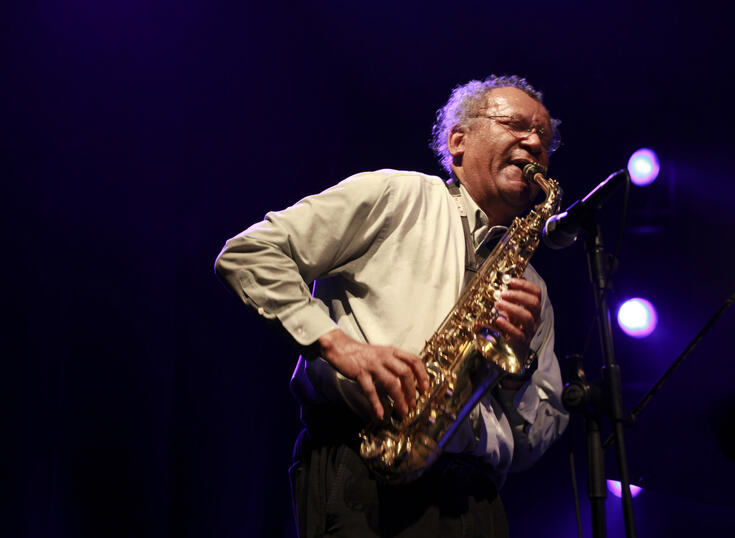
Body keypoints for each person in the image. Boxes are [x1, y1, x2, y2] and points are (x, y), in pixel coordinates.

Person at [215, 75, 569, 537]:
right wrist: (338, 344)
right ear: (458, 140)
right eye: (516, 125)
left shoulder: (531, 285)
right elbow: (251, 254)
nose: (534, 142)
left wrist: (517, 370)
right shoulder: (397, 195)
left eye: (544, 136)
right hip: (364, 469)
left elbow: (533, 440)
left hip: (476, 500)